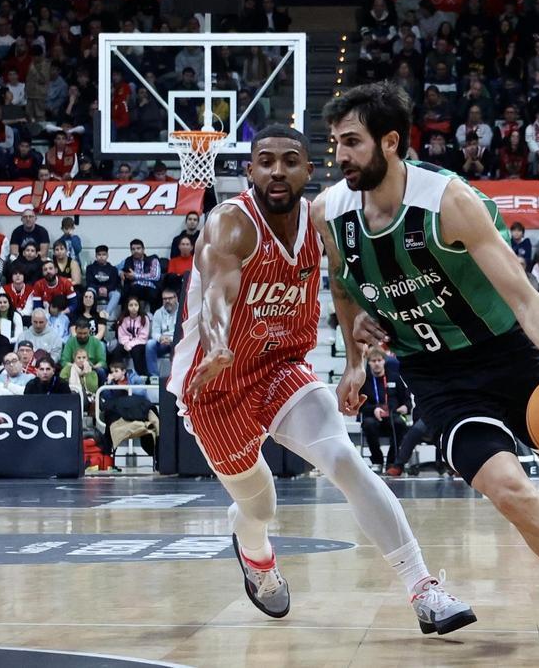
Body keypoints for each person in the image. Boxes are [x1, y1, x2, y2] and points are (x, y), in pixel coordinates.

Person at [322, 83, 539, 661]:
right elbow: (341, 284)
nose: (340, 156)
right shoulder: (329, 212)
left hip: (507, 353)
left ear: (390, 142)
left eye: (352, 143)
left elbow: (525, 296)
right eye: (336, 143)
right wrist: (355, 352)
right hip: (437, 378)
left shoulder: (449, 201)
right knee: (513, 494)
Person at [169, 123, 475, 634]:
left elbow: (344, 289)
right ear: (249, 171)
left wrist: (355, 363)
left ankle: (422, 587)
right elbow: (218, 293)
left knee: (344, 460)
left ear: (310, 170)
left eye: (290, 160)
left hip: (283, 366)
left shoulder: (324, 223)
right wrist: (219, 342)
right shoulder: (230, 223)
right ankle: (256, 554)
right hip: (214, 385)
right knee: (258, 502)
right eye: (265, 161)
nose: (277, 170)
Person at [357, 349, 410, 474]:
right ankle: (377, 461)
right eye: (373, 361)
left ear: (384, 362)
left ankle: (392, 462)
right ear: (368, 363)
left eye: (379, 360)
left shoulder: (394, 377)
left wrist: (406, 407)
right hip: (373, 418)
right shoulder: (364, 380)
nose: (376, 363)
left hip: (392, 415)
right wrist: (374, 409)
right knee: (368, 424)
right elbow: (360, 406)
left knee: (400, 424)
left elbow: (407, 400)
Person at [145, 288, 179, 378]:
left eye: (170, 298)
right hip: (162, 342)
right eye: (164, 299)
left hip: (177, 341)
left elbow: (183, 332)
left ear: (176, 298)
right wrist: (161, 338)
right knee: (150, 344)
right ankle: (154, 376)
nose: (167, 301)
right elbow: (154, 333)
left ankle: (176, 376)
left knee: (178, 344)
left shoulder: (182, 311)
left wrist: (171, 339)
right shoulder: (158, 313)